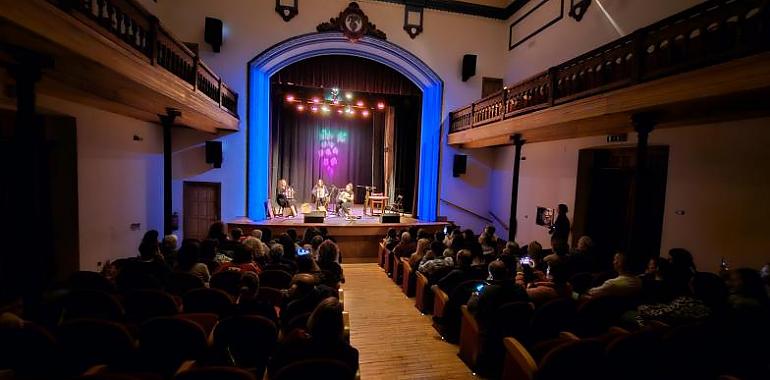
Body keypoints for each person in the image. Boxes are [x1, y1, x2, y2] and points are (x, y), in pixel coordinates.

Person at [269, 297, 359, 377]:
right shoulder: (351, 354)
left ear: (313, 319)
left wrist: (285, 342)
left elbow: (272, 370)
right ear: (340, 325)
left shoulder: (291, 348)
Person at [467, 260, 529, 328]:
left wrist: (475, 294)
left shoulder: (486, 290)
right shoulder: (519, 288)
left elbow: (471, 305)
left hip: (492, 331)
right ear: (506, 272)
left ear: (490, 275)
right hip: (516, 327)